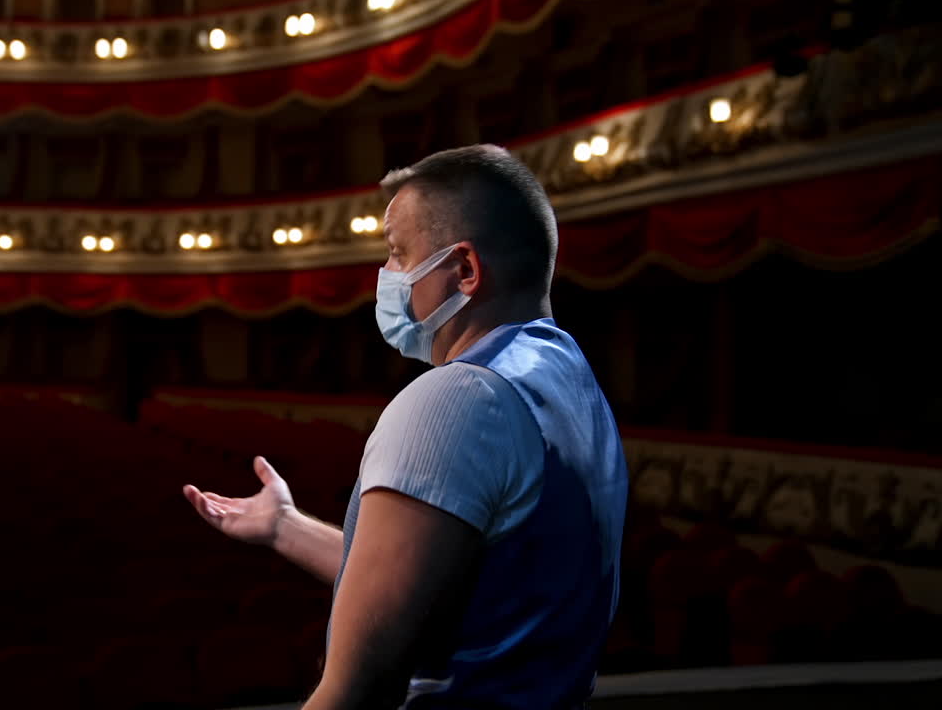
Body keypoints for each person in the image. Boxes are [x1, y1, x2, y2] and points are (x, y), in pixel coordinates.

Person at [183, 144, 627, 710]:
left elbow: (357, 691)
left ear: (464, 269)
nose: (387, 276)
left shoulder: (457, 399)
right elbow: (451, 578)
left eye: (397, 254)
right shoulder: (572, 381)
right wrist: (285, 528)